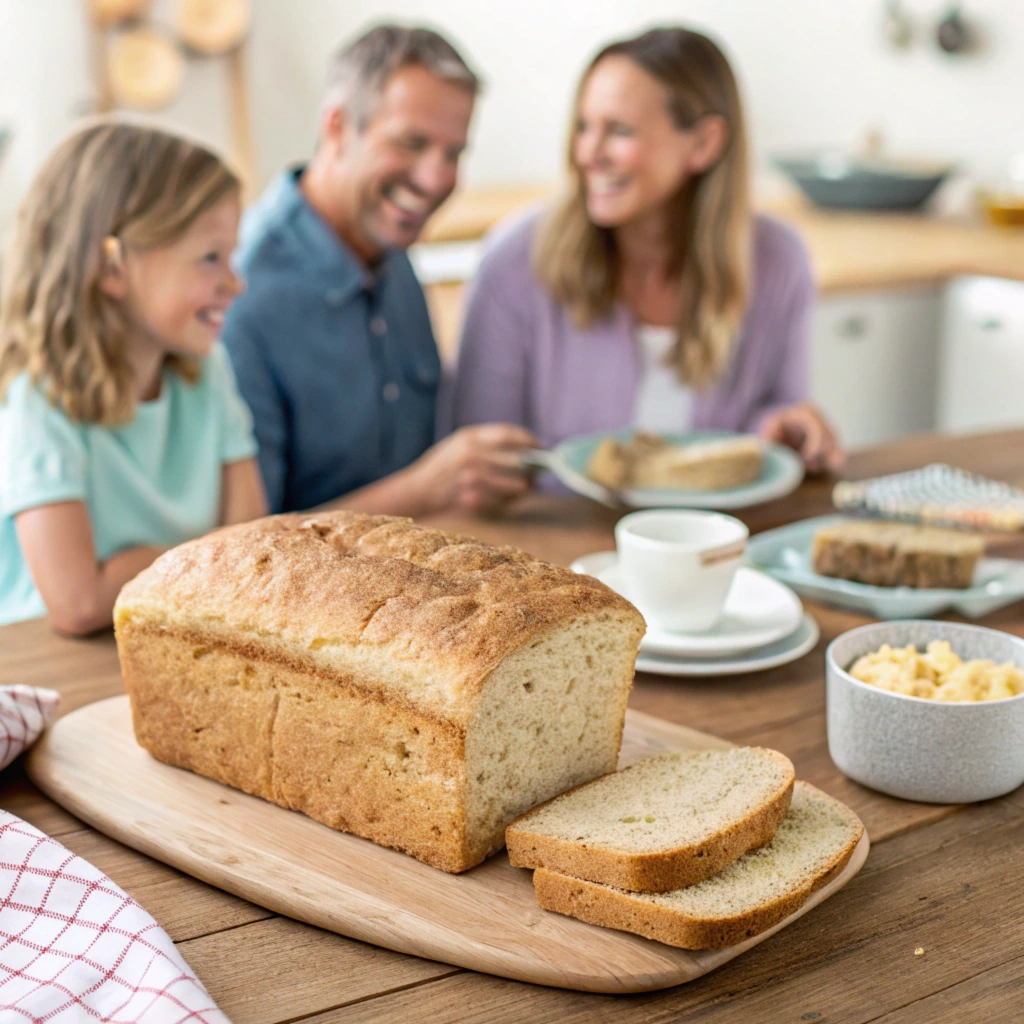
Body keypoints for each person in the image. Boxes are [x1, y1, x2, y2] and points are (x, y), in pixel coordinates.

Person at [449, 27, 843, 473]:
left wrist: (785, 427)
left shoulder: (780, 262)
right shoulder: (513, 262)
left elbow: (768, 421)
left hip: (715, 535)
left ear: (703, 144)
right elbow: (479, 464)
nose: (588, 154)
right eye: (584, 127)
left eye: (618, 130)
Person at [223, 24, 536, 516]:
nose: (437, 179)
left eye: (453, 154)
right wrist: (426, 488)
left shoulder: (391, 248)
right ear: (336, 127)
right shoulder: (240, 293)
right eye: (411, 142)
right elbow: (245, 551)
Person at [0, 122, 267, 632]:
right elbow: (78, 604)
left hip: (163, 634)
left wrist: (131, 567)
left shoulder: (208, 372)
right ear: (113, 266)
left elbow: (251, 550)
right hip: (47, 661)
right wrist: (210, 555)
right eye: (210, 257)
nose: (235, 282)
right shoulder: (38, 401)